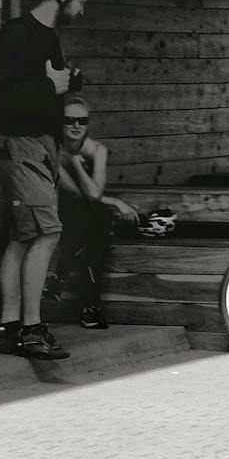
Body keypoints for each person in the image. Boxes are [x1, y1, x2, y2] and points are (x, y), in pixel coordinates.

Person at [0, 0, 94, 360]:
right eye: (80, 1)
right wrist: (47, 84)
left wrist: (62, 85)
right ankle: (31, 329)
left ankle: (9, 328)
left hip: (40, 144)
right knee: (47, 233)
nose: (82, 10)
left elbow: (37, 89)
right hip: (22, 144)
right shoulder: (19, 34)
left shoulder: (48, 37)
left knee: (22, 236)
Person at [52, 95, 138, 329]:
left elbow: (94, 192)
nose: (76, 125)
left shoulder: (98, 150)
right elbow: (79, 194)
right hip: (57, 210)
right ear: (59, 122)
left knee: (95, 222)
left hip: (85, 217)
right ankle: (91, 307)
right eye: (69, 120)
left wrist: (77, 163)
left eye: (82, 120)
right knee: (95, 217)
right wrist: (116, 202)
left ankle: (60, 277)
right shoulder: (54, 150)